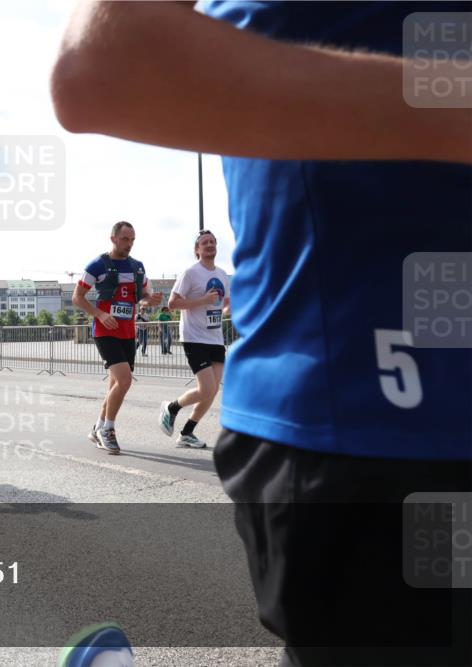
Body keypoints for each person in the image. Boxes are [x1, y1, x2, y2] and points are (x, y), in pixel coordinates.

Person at [52, 2, 471, 664]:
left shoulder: (163, 268)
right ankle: (123, 420)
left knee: (196, 385)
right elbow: (97, 66)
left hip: (286, 370)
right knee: (142, 376)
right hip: (371, 415)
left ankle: (170, 413)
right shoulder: (135, 267)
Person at [73, 221, 162, 454]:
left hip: (127, 332)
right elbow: (77, 297)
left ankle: (98, 427)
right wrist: (100, 314)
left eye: (132, 239)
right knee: (124, 380)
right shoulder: (97, 265)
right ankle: (108, 430)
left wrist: (149, 300)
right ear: (113, 239)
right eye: (125, 239)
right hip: (105, 331)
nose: (129, 244)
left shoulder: (138, 267)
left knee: (115, 385)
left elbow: (141, 297)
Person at [158, 230, 231, 448]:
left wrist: (229, 309)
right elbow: (172, 303)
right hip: (194, 337)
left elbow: (225, 303)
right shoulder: (190, 273)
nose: (209, 245)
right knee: (206, 388)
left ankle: (187, 432)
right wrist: (202, 300)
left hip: (215, 338)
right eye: (204, 242)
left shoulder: (222, 274)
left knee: (213, 390)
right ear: (197, 250)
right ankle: (172, 407)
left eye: (212, 242)